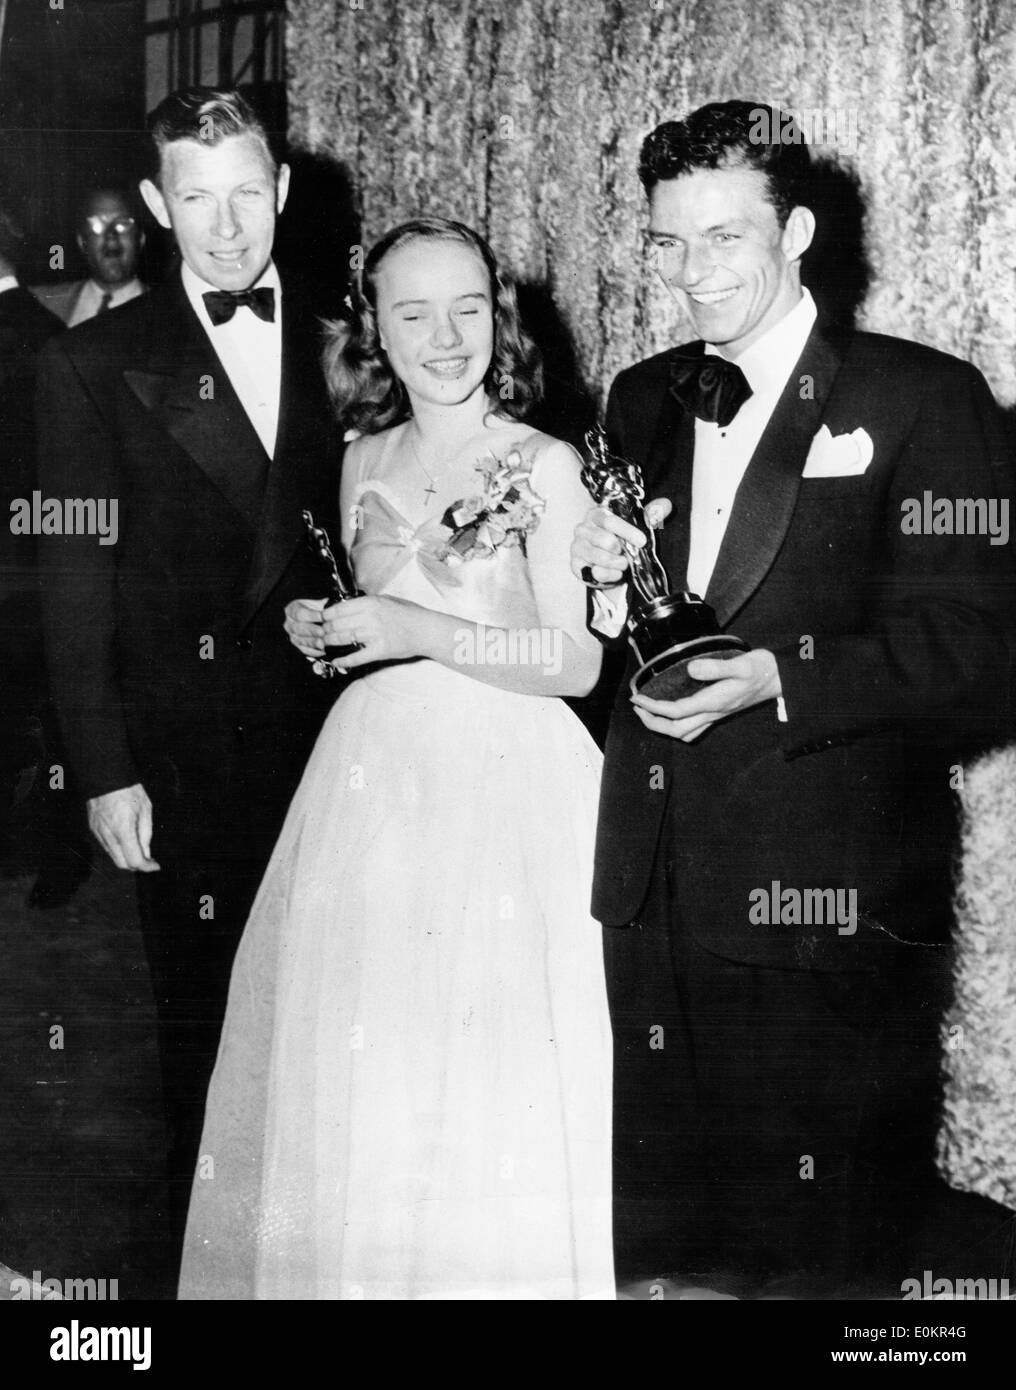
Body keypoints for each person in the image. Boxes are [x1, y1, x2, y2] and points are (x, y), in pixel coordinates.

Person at [571, 100, 1014, 1297]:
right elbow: (622, 631)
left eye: (723, 238)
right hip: (649, 881)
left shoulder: (923, 398)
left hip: (819, 899)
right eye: (667, 242)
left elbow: (981, 649)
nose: (690, 273)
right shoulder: (636, 394)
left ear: (799, 230)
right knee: (664, 1249)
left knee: (814, 1254)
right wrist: (603, 596)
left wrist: (785, 674)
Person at [179, 218, 614, 1300]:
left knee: (486, 1071)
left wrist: (419, 632)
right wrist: (323, 629)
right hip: (374, 793)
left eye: (466, 306)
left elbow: (570, 661)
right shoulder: (361, 458)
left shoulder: (548, 463)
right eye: (412, 312)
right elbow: (375, 625)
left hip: (511, 791)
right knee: (367, 1066)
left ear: (499, 315)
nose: (444, 334)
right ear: (375, 328)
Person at [35, 87, 341, 1291]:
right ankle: (205, 1273)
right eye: (196, 200)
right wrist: (103, 767)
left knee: (335, 1007)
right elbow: (73, 585)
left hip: (339, 732)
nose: (226, 229)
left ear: (284, 192)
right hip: (186, 752)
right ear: (160, 206)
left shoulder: (349, 335)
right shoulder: (92, 362)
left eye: (247, 195)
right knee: (206, 1028)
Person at [32, 186, 147, 325]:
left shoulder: (165, 314)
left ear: (140, 239)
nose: (111, 235)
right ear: (82, 242)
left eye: (122, 224)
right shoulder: (42, 303)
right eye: (97, 225)